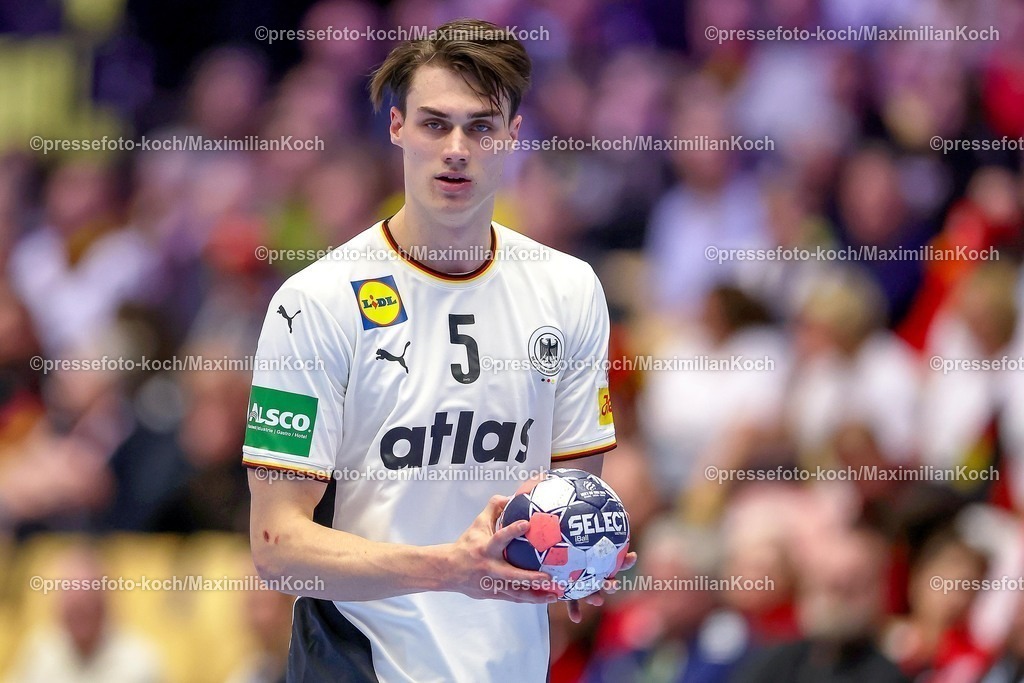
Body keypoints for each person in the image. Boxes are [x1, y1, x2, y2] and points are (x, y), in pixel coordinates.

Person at [243, 18, 634, 682]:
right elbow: (277, 545)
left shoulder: (569, 290)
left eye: (481, 126)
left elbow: (570, 494)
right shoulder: (313, 301)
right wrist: (446, 568)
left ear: (513, 134)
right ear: (396, 127)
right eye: (434, 124)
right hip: (359, 663)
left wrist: (583, 560)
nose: (457, 148)